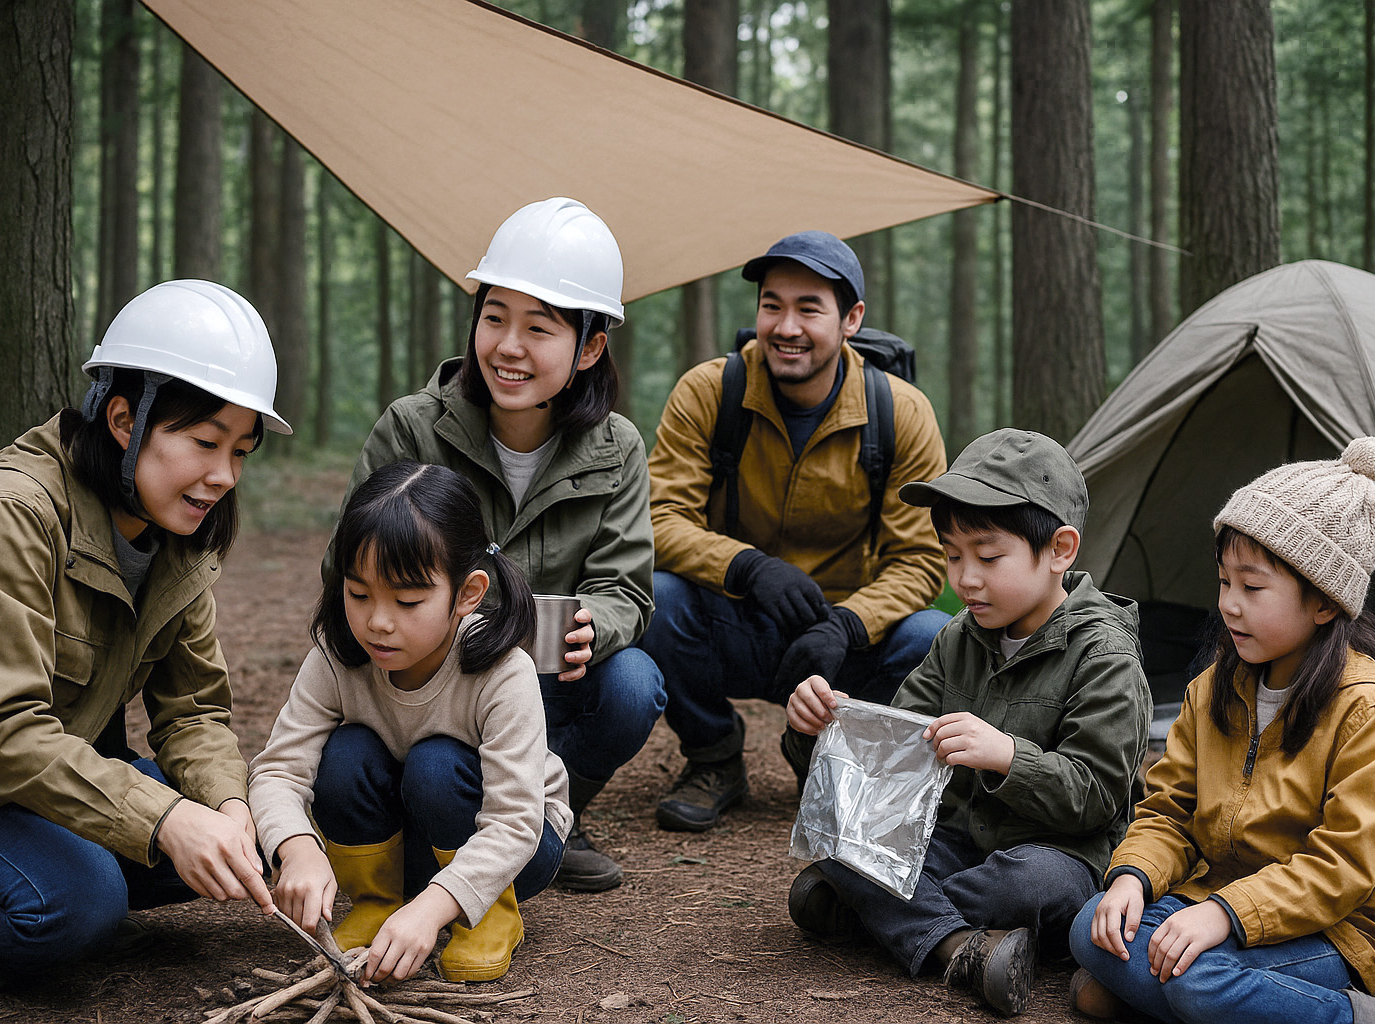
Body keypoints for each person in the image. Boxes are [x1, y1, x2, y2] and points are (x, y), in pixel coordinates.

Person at [329, 198, 662, 893]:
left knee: (633, 685)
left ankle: (551, 815)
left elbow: (625, 589)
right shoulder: (412, 430)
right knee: (415, 765)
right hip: (427, 682)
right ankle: (432, 827)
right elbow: (345, 567)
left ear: (589, 347)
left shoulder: (617, 447)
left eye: (539, 328)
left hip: (545, 680)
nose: (508, 347)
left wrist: (590, 626)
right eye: (494, 318)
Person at [1069, 438, 1375, 1024]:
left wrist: (1224, 913)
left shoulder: (1366, 710)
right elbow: (1169, 812)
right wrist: (1133, 878)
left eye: (1252, 588)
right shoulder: (1213, 688)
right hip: (1213, 905)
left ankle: (1361, 1018)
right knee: (1088, 923)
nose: (1229, 604)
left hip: (1337, 930)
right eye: (1224, 581)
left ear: (1325, 603)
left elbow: (1343, 866)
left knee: (1191, 984)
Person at [0, 280, 289, 992]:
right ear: (124, 418)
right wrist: (165, 819)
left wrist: (227, 808)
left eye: (242, 451)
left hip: (49, 791)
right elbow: (2, 732)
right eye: (206, 442)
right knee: (80, 902)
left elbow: (196, 712)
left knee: (246, 841)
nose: (223, 476)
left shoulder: (177, 531)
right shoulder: (18, 513)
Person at [783, 428, 1151, 1016]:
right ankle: (958, 943)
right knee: (843, 843)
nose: (966, 579)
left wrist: (1008, 755)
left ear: (1060, 549)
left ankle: (872, 913)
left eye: (988, 556)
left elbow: (1099, 797)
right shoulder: (959, 636)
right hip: (956, 841)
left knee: (1032, 885)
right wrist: (821, 731)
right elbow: (890, 761)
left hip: (1054, 853)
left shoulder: (1103, 654)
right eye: (953, 555)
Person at [643, 230, 950, 833]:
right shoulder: (709, 392)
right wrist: (747, 567)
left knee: (930, 636)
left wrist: (847, 622)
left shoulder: (900, 411)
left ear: (851, 319)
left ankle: (829, 754)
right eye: (772, 304)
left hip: (842, 636)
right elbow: (658, 518)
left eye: (809, 308)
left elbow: (920, 557)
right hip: (738, 616)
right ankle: (713, 757)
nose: (786, 326)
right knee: (658, 597)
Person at [251, 461, 569, 985]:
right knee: (347, 751)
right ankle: (380, 901)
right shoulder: (339, 655)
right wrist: (297, 846)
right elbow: (277, 772)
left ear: (467, 593)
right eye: (359, 594)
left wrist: (433, 910)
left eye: (407, 600)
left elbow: (516, 823)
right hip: (409, 838)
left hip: (517, 847)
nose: (378, 621)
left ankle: (487, 914)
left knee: (436, 763)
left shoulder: (500, 668)